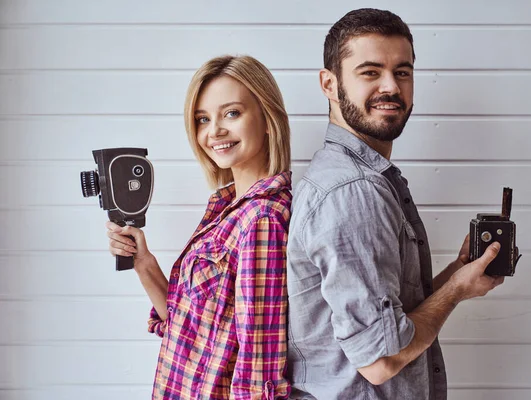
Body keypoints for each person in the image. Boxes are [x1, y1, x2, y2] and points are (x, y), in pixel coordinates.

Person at [286, 9, 505, 400]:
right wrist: (454, 290)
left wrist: (457, 274)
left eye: (402, 72)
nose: (391, 86)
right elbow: (380, 360)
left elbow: (388, 322)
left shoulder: (364, 179)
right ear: (329, 84)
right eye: (370, 72)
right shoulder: (352, 191)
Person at [106, 55, 292, 400]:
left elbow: (259, 364)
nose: (214, 131)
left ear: (268, 118)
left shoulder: (262, 219)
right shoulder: (226, 208)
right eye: (202, 119)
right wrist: (143, 262)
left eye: (232, 113)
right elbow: (187, 330)